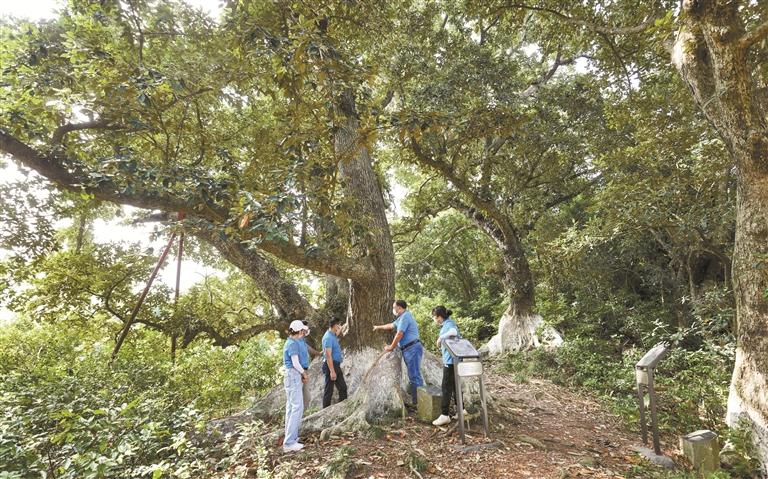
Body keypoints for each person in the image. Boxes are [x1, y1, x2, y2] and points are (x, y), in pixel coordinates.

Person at [373, 299, 424, 407]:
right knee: (413, 375)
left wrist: (391, 347)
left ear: (399, 307)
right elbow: (391, 325)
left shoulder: (405, 317)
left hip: (412, 348)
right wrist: (378, 327)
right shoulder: (401, 318)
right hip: (408, 349)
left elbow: (400, 333)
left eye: (394, 307)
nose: (393, 309)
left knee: (415, 375)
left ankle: (421, 403)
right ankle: (418, 401)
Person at [431, 306, 462, 426]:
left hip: (450, 362)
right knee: (455, 386)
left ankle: (444, 415)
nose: (434, 319)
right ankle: (461, 410)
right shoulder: (448, 323)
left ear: (439, 317)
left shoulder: (448, 324)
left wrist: (440, 338)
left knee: (446, 387)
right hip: (454, 360)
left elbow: (453, 332)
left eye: (434, 317)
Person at [282, 320, 310, 453]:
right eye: (301, 331)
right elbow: (295, 363)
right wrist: (304, 373)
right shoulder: (292, 344)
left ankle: (290, 438)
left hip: (292, 376)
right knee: (297, 407)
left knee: (291, 408)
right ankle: (289, 443)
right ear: (298, 331)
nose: (303, 333)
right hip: (293, 374)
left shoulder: (291, 342)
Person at [321, 317, 348, 408]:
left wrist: (342, 328)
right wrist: (332, 371)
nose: (340, 326)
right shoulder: (328, 338)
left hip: (336, 365)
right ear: (335, 325)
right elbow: (328, 355)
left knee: (342, 388)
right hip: (330, 365)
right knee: (329, 390)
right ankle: (325, 410)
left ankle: (343, 407)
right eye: (339, 325)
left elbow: (337, 333)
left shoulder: (332, 334)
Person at [300, 320, 321, 409]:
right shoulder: (296, 341)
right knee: (300, 396)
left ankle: (304, 414)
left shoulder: (302, 340)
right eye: (306, 328)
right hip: (300, 371)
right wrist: (302, 373)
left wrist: (319, 353)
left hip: (305, 369)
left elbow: (309, 349)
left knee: (307, 396)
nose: (307, 330)